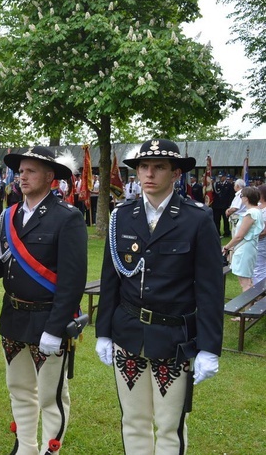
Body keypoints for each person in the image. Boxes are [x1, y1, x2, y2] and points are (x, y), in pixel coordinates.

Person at [96, 138, 224, 455]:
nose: (149, 173)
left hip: (173, 338)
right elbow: (110, 278)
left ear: (175, 173)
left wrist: (209, 347)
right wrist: (103, 332)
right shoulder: (122, 216)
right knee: (134, 421)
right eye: (143, 166)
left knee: (169, 427)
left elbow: (209, 288)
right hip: (128, 333)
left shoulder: (197, 218)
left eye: (159, 167)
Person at [0, 147, 87, 455]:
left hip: (47, 319)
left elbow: (72, 281)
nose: (22, 177)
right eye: (20, 171)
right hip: (13, 316)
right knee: (20, 389)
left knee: (51, 396)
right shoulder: (10, 215)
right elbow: (0, 268)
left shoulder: (68, 218)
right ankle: (25, 447)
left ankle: (50, 451)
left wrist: (55, 329)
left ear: (50, 177)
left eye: (31, 171)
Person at [223, 186, 264, 293]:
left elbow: (239, 236)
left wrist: (227, 247)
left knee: (245, 283)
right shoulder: (257, 211)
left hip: (245, 249)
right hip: (250, 247)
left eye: (241, 196)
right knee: (248, 280)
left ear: (246, 198)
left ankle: (248, 309)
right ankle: (251, 307)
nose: (240, 198)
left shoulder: (251, 213)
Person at [252, 185, 266, 287]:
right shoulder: (258, 207)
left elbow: (264, 231)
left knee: (259, 269)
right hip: (257, 241)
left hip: (261, 242)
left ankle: (260, 292)